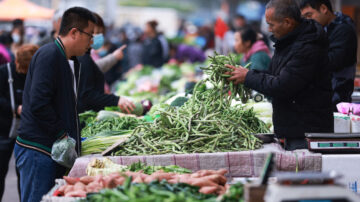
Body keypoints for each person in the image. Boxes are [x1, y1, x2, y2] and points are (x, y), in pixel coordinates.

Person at [226, 0, 333, 150]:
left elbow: (283, 86)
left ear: (288, 22)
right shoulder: (287, 42)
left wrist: (248, 76)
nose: (269, 29)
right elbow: (274, 75)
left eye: (271, 24)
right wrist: (245, 75)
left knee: (304, 171)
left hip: (307, 133)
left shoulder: (307, 47)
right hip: (294, 130)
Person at [14, 7, 96, 202]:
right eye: (90, 35)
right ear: (74, 32)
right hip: (38, 150)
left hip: (51, 151)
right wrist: (62, 134)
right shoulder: (49, 55)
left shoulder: (71, 60)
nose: (92, 42)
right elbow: (39, 103)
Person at [300, 0, 357, 111]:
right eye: (304, 17)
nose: (307, 21)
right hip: (320, 97)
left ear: (323, 9)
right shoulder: (321, 29)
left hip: (337, 98)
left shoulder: (343, 30)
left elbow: (333, 61)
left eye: (309, 15)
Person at [0, 44, 39, 202]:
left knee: (24, 175)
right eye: (22, 69)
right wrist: (15, 108)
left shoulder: (36, 72)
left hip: (27, 132)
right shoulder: (4, 72)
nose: (23, 72)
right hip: (4, 130)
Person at [78, 12, 134, 114]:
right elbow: (87, 95)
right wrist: (115, 100)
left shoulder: (85, 55)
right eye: (94, 31)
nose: (97, 35)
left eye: (100, 32)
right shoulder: (81, 56)